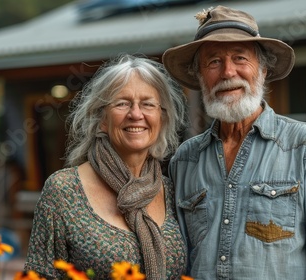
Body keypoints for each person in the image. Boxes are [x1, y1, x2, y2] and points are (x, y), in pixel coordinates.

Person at [162, 6, 306, 279]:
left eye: (240, 58)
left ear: (263, 70)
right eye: (213, 62)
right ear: (200, 76)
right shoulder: (185, 159)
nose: (227, 72)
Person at [24, 54, 188, 279]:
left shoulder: (170, 190)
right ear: (101, 119)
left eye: (148, 104)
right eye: (122, 103)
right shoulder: (63, 191)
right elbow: (38, 275)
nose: (136, 114)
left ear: (162, 120)